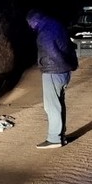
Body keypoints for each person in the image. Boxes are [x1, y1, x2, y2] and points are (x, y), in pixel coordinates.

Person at [26, 9, 78, 149]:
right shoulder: (56, 25)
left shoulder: (45, 33)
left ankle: (54, 138)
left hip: (53, 71)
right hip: (63, 72)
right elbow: (69, 46)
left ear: (34, 21)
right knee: (59, 104)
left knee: (52, 106)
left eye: (30, 23)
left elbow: (53, 53)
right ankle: (61, 136)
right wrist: (71, 65)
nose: (30, 27)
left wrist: (63, 65)